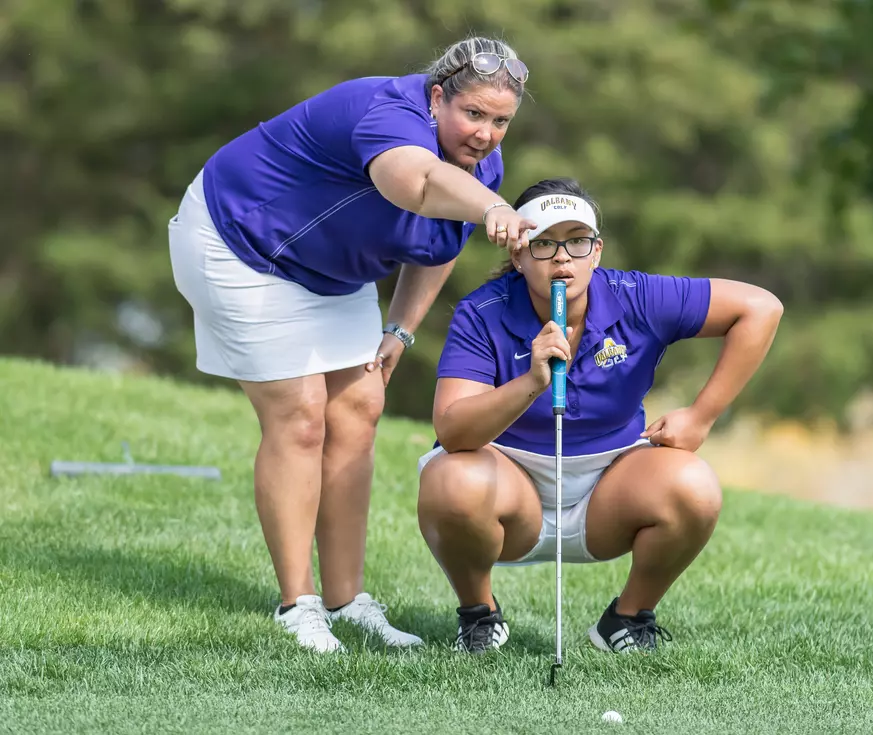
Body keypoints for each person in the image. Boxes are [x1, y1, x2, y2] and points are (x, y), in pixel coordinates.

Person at [167, 36, 537, 654]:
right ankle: (298, 606)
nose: (486, 134)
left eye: (501, 121)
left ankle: (347, 600)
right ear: (438, 96)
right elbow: (415, 186)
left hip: (330, 272)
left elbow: (435, 244)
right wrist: (493, 205)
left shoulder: (480, 167)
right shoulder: (387, 113)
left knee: (360, 407)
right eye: (474, 114)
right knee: (302, 414)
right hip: (241, 243)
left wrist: (400, 329)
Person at [416, 177, 784, 653]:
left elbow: (761, 308)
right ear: (518, 256)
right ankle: (479, 617)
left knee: (694, 486)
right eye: (544, 243)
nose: (562, 257)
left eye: (576, 241)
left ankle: (627, 620)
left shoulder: (638, 296)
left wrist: (701, 415)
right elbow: (452, 430)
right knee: (450, 481)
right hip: (508, 479)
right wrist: (530, 383)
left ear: (597, 251)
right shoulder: (481, 312)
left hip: (610, 483)